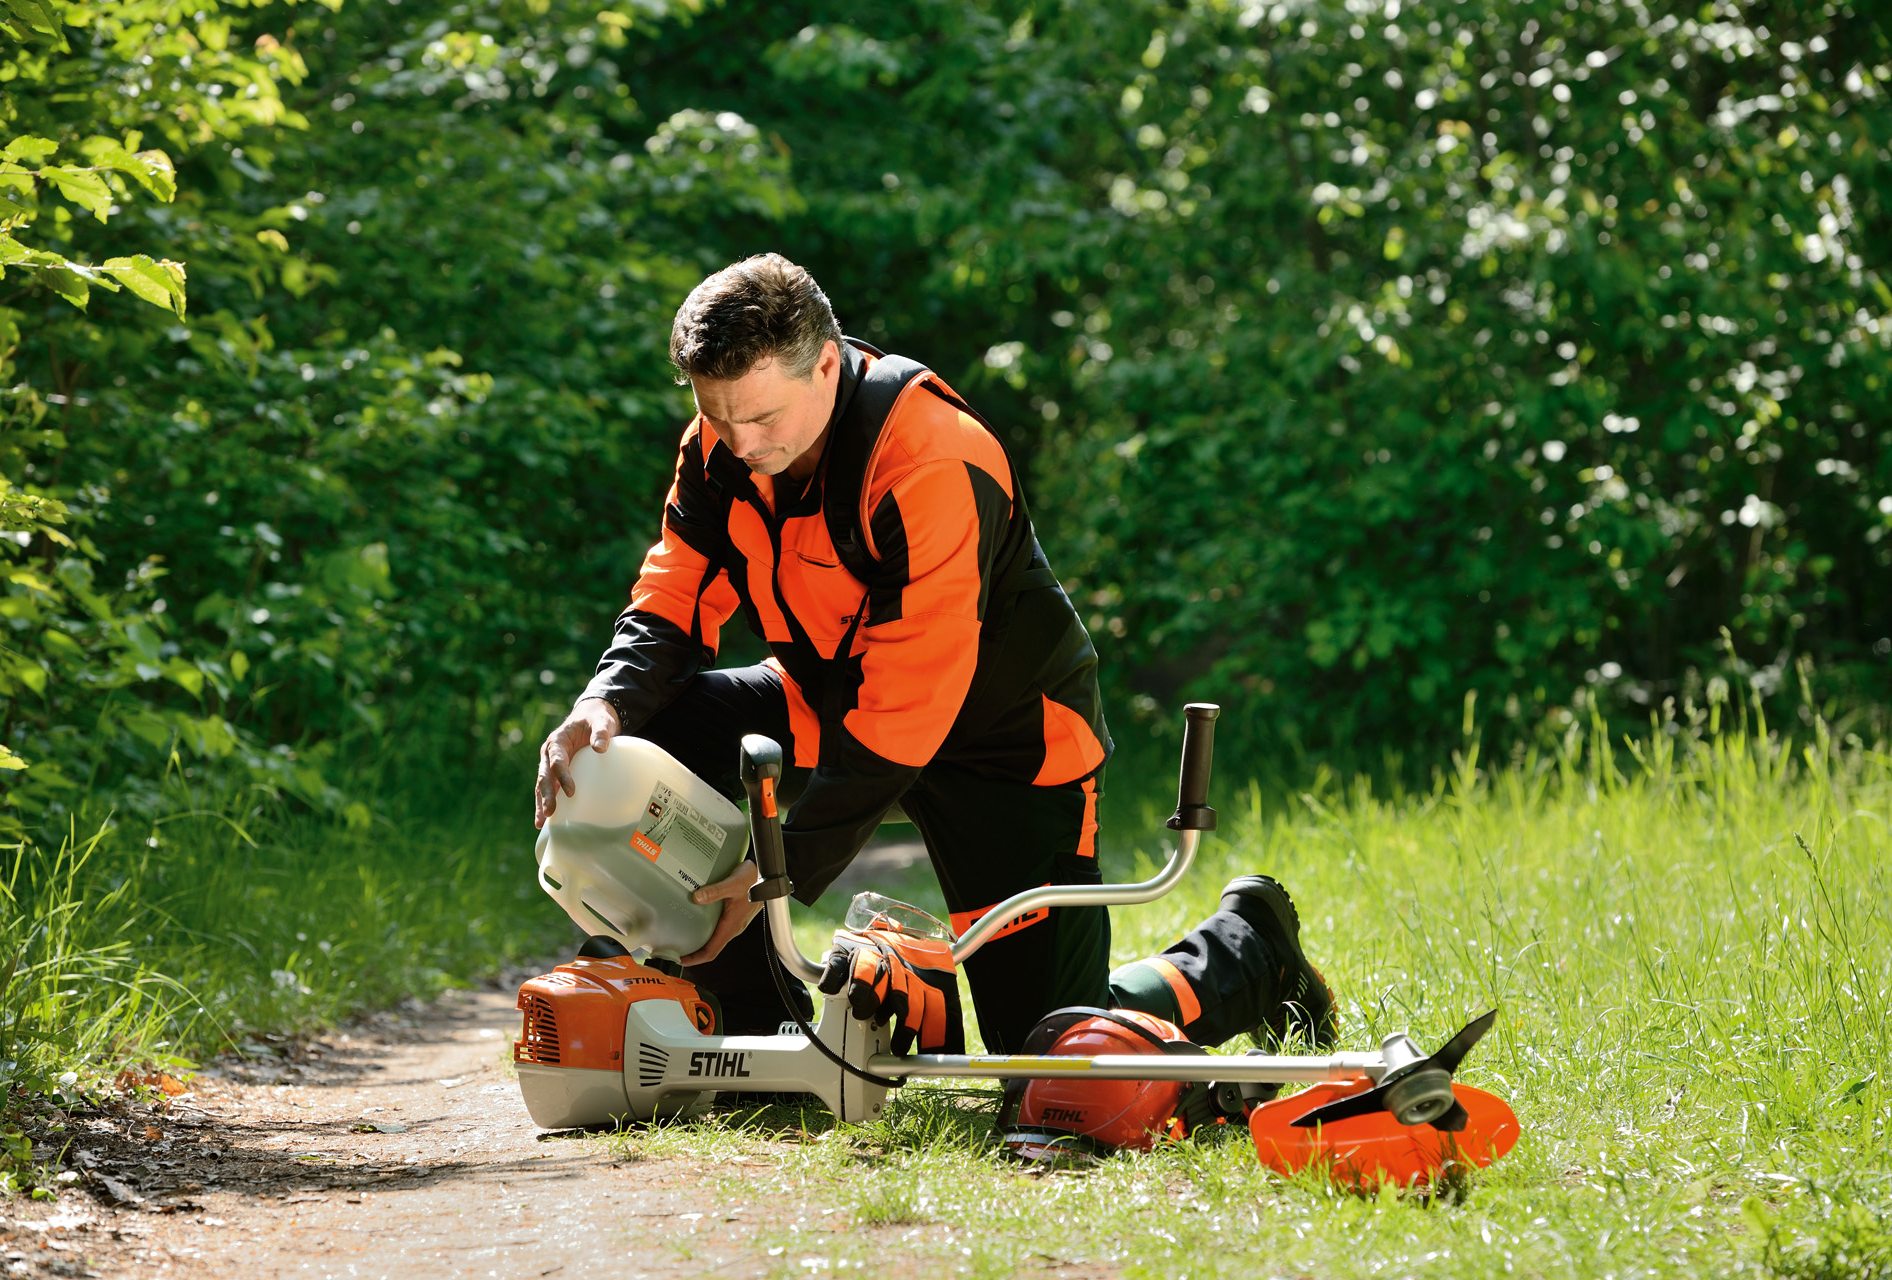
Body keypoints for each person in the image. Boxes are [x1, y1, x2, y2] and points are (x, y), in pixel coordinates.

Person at [532, 253, 1336, 1055]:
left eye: (763, 418)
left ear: (824, 364)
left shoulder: (931, 457)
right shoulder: (720, 446)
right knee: (662, 723)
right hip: (835, 703)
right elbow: (674, 595)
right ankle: (765, 1034)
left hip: (1005, 742)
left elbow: (910, 703)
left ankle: (1250, 949)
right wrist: (601, 703)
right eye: (719, 415)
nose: (741, 443)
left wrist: (780, 874)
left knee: (1051, 1051)